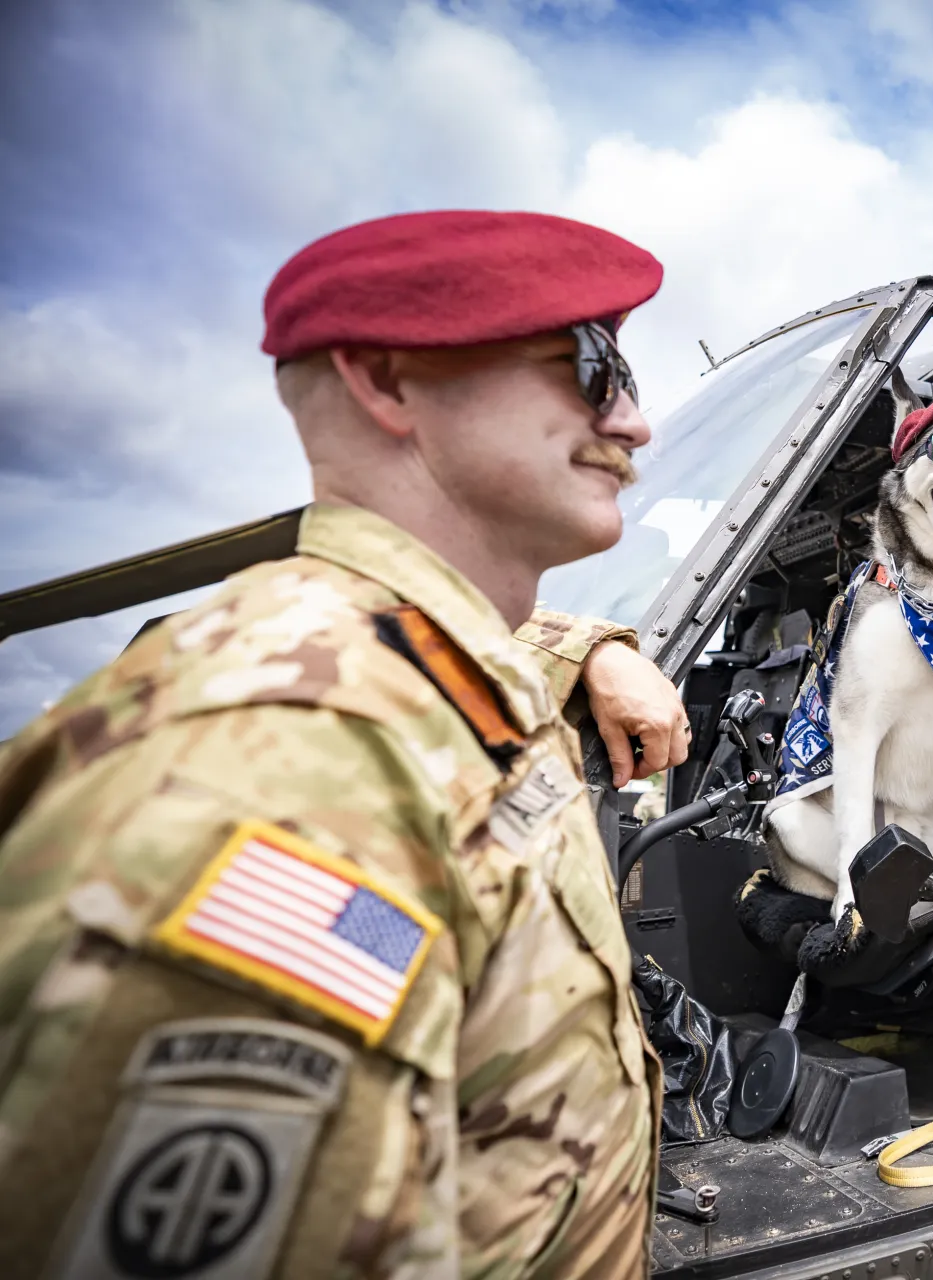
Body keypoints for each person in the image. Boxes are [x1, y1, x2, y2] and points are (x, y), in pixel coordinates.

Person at [0, 210, 692, 1278]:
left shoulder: (426, 667)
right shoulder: (290, 763)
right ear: (386, 378)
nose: (636, 422)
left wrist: (597, 647)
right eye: (593, 366)